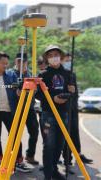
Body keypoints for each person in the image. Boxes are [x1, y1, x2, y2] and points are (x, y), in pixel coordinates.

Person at [0, 52, 31, 173]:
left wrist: (19, 92)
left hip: (10, 111)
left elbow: (17, 90)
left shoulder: (11, 75)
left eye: (6, 63)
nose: (5, 65)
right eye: (2, 63)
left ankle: (19, 161)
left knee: (15, 135)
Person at [36, 45, 75, 180]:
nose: (54, 57)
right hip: (48, 114)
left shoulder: (68, 73)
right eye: (50, 55)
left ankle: (54, 170)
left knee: (60, 144)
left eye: (56, 54)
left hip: (63, 113)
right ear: (47, 58)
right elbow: (38, 94)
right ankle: (48, 175)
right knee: (49, 145)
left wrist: (71, 92)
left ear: (61, 56)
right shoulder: (43, 74)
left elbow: (73, 94)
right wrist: (53, 98)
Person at [62, 53, 93, 165]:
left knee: (75, 131)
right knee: (66, 134)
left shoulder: (72, 74)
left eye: (70, 60)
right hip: (64, 108)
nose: (69, 62)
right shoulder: (61, 74)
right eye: (67, 60)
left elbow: (74, 94)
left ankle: (78, 154)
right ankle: (67, 158)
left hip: (73, 108)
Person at [13, 52, 39, 165]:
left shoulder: (32, 75)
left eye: (23, 61)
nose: (21, 63)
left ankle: (30, 155)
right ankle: (16, 157)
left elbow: (36, 91)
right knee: (15, 133)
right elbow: (9, 88)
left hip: (30, 108)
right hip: (16, 109)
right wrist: (16, 91)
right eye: (19, 61)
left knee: (34, 132)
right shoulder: (11, 74)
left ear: (27, 62)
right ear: (15, 62)